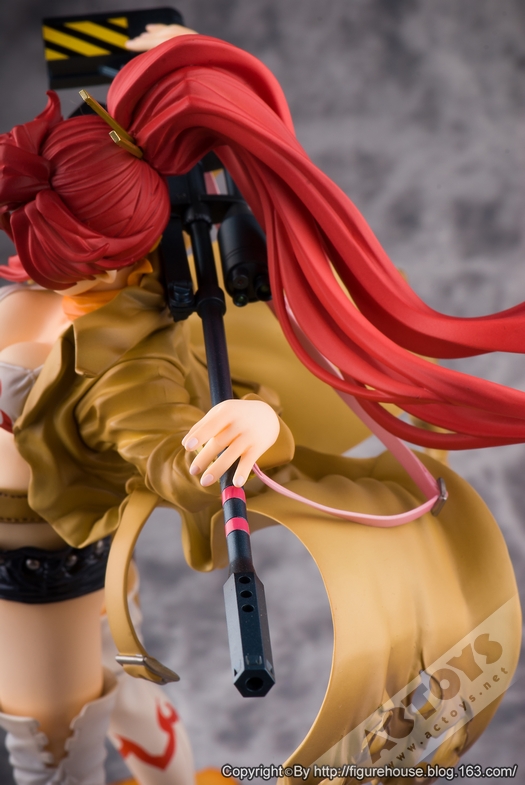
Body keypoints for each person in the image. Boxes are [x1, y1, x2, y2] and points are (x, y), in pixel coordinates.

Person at [0, 28, 521, 785]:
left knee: (53, 745)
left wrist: (259, 426)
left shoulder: (122, 355)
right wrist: (176, 67)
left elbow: (175, 459)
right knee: (121, 692)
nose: (39, 257)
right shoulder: (38, 274)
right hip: (70, 539)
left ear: (118, 258)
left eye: (72, 253)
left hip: (39, 564)